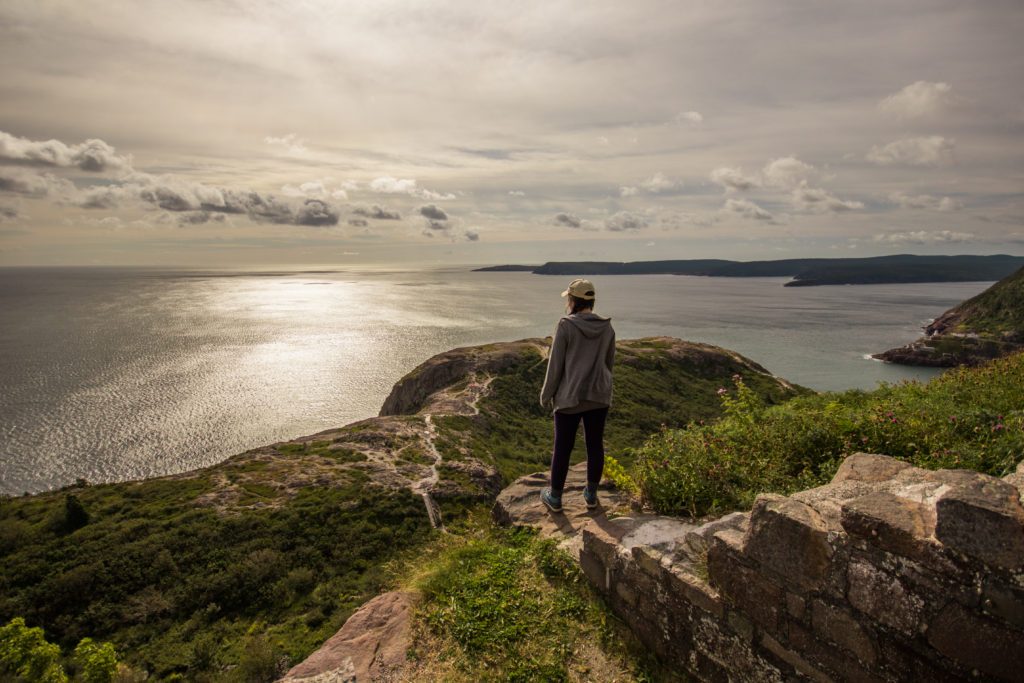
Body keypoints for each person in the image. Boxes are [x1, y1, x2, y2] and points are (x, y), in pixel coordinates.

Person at [539, 278, 615, 512]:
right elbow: (608, 363)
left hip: (570, 396)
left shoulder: (566, 325)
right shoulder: (606, 327)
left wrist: (546, 395)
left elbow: (555, 365)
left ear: (573, 300)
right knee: (595, 445)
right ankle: (591, 495)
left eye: (569, 298)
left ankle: (556, 498)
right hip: (599, 394)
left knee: (563, 447)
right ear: (591, 301)